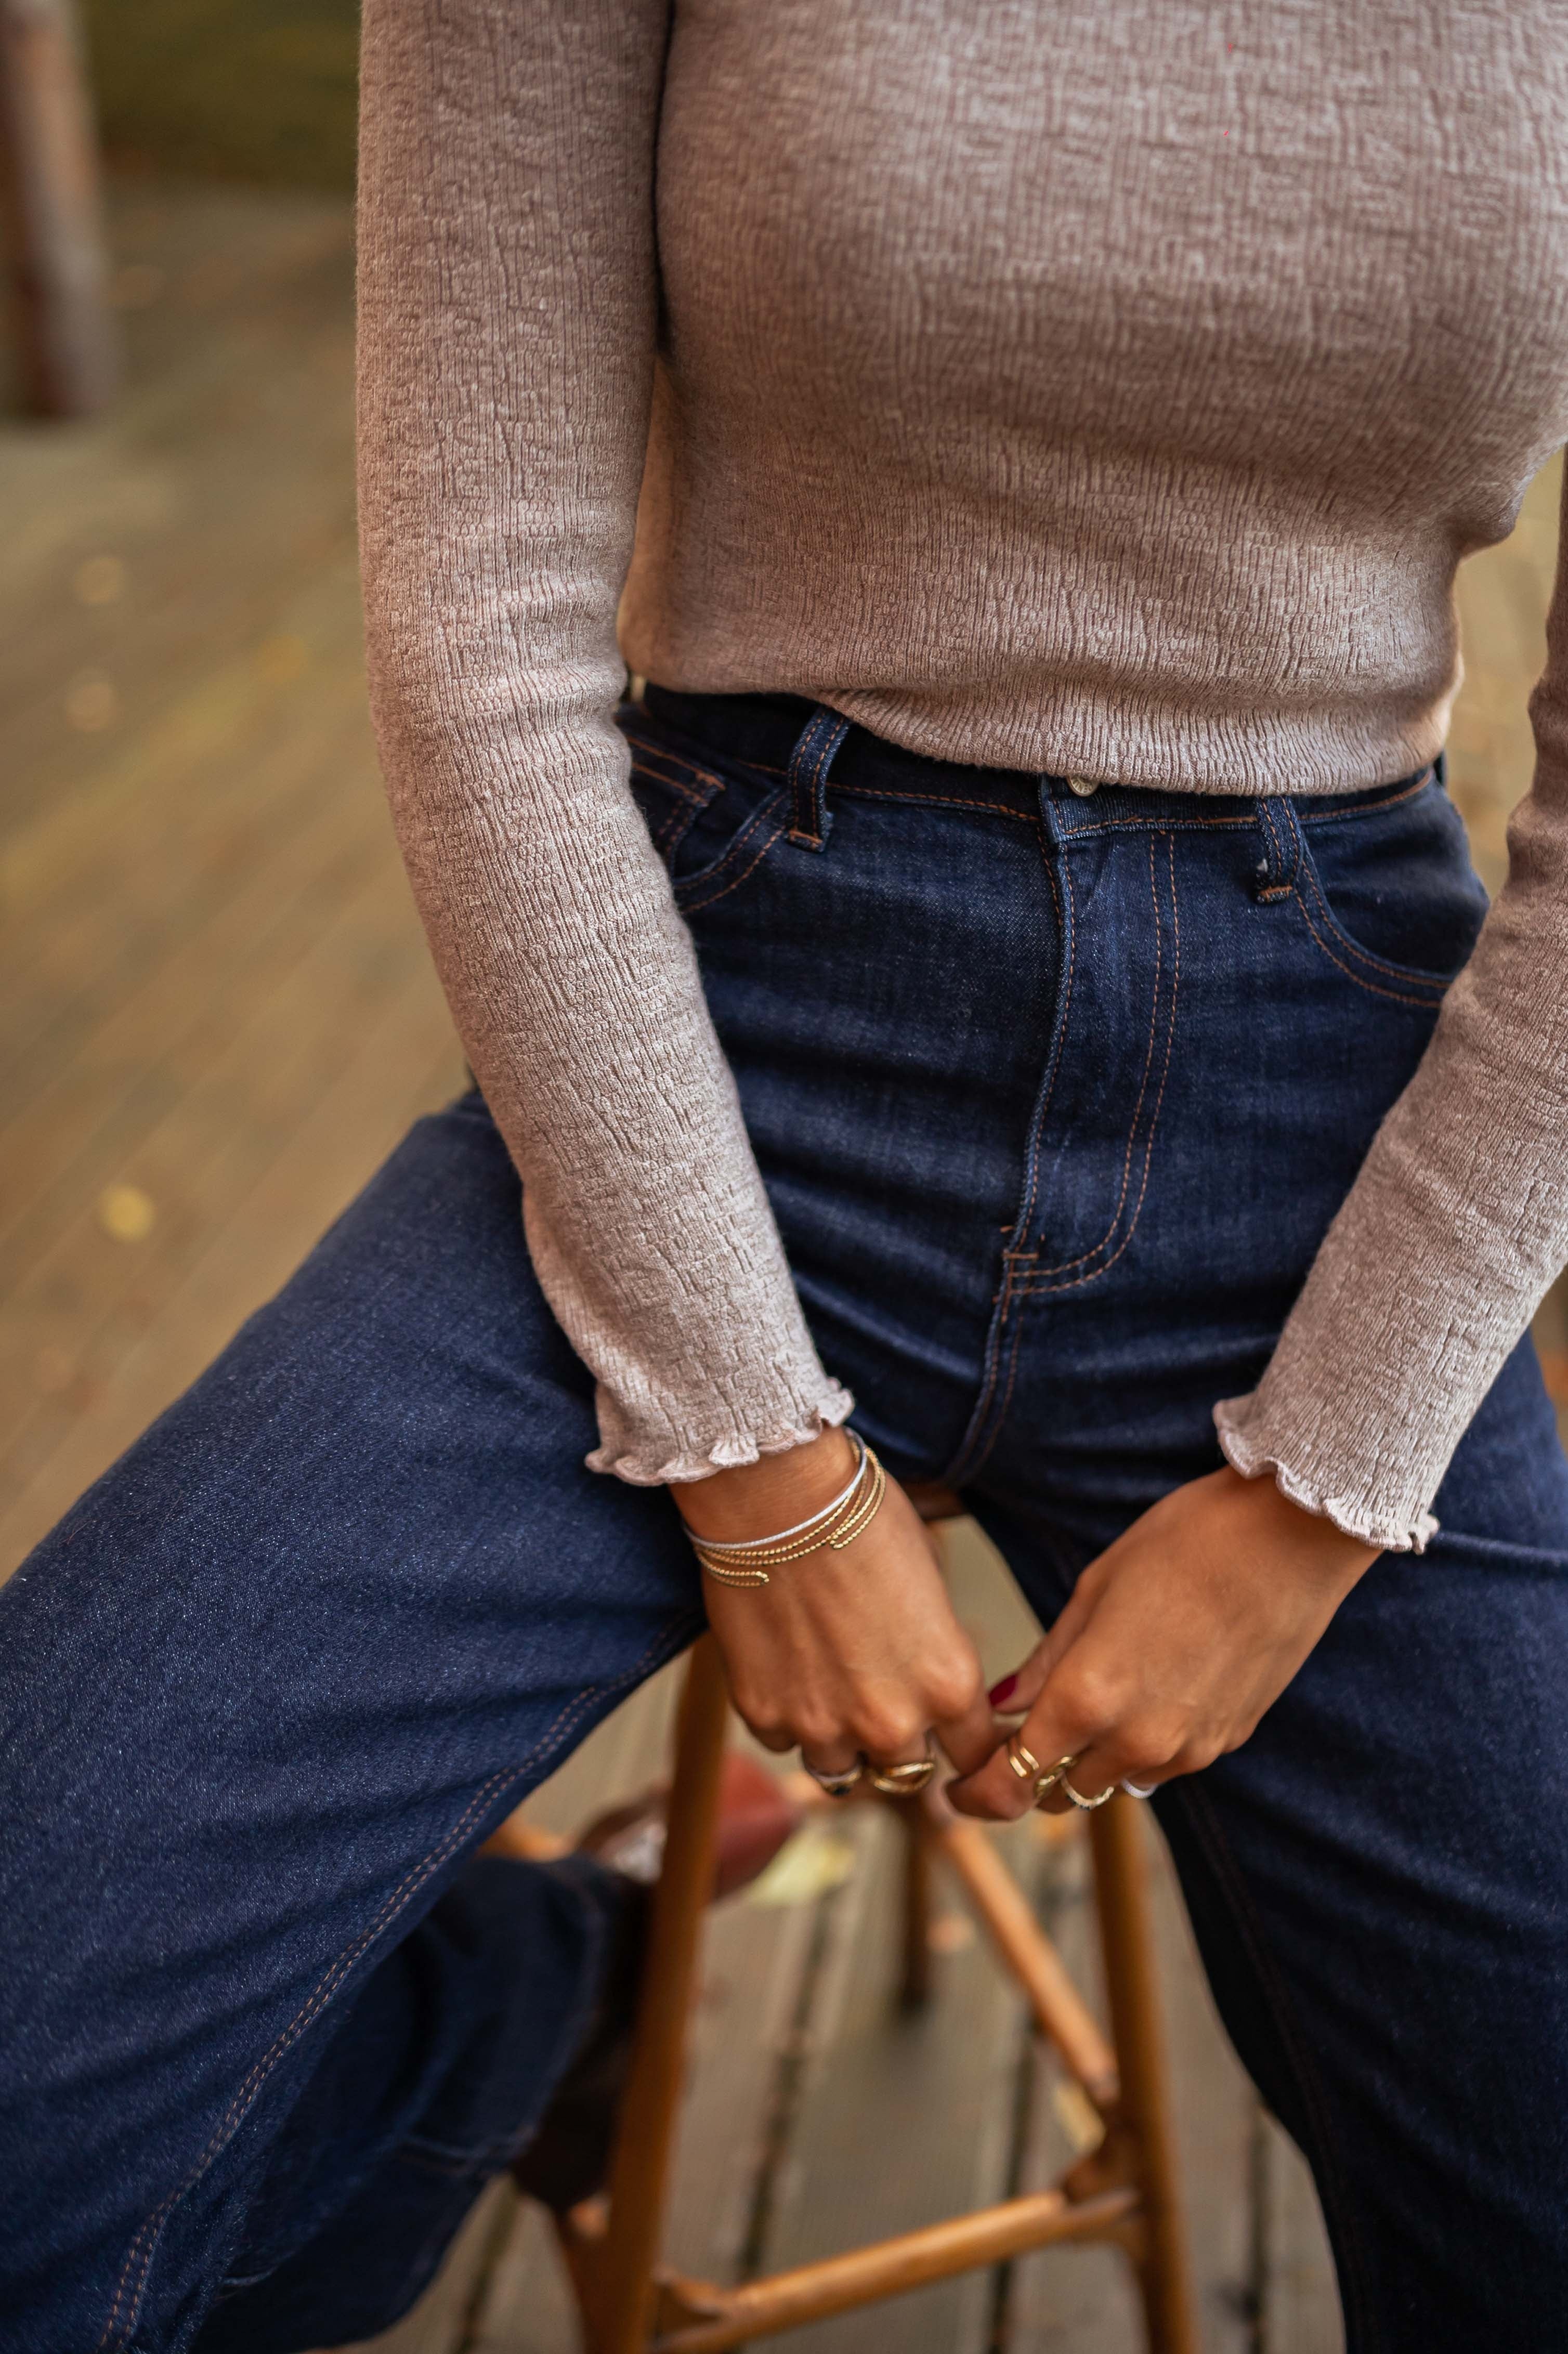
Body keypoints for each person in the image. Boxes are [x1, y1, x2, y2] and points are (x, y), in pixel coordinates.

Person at [5, 3, 1568, 2347]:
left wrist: (1330, 1478)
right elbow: (478, 642)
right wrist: (750, 1447)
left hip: (1318, 1097)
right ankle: (512, 2010)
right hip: (713, 1026)